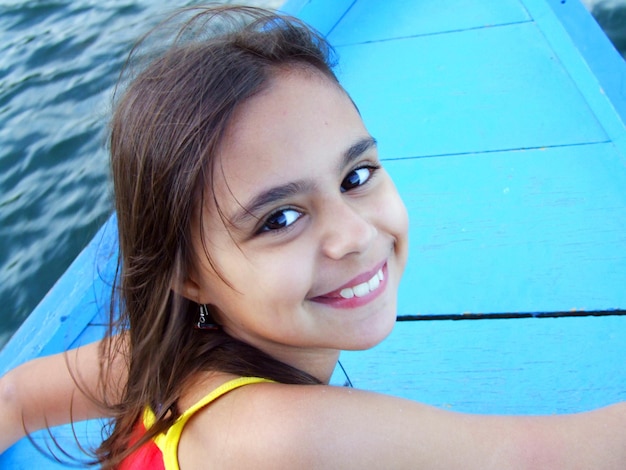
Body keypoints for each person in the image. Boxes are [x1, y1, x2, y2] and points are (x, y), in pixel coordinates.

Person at [1, 5, 626, 469]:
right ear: (187, 273)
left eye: (357, 176)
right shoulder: (285, 438)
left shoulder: (162, 356)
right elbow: (548, 457)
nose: (353, 235)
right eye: (279, 218)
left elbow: (19, 398)